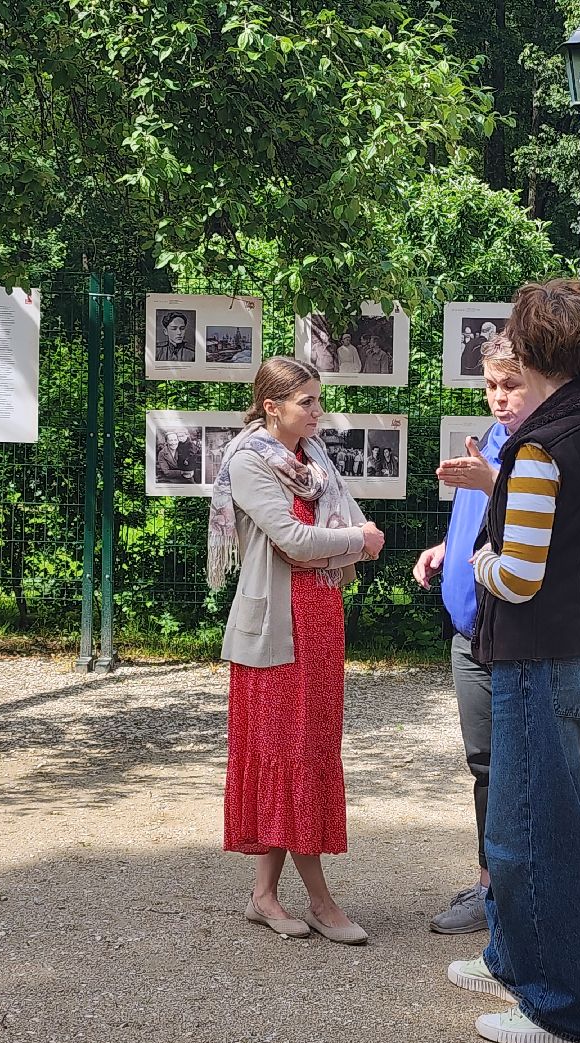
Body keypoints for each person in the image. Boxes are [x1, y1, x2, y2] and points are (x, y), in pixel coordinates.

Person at [445, 278, 580, 1043]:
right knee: (541, 818)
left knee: (533, 834)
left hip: (540, 655)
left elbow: (518, 576)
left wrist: (483, 554)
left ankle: (558, 1009)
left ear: (531, 349)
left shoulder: (540, 446)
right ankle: (511, 959)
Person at [207, 357, 387, 946]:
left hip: (318, 623)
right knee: (291, 757)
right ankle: (320, 899)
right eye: (306, 402)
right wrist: (356, 543)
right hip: (276, 634)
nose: (317, 411)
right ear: (271, 407)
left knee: (300, 755)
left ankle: (263, 896)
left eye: (318, 399)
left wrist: (339, 545)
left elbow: (325, 539)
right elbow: (292, 540)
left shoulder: (314, 459)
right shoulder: (249, 462)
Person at [413, 336, 530, 936]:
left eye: (509, 385)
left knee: (517, 769)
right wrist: (445, 548)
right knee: (485, 764)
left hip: (510, 635)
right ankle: (492, 884)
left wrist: (490, 484)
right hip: (469, 629)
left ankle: (510, 893)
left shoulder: (538, 446)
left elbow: (532, 533)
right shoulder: (492, 438)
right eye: (490, 386)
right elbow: (480, 526)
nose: (499, 399)